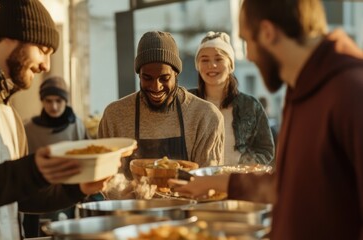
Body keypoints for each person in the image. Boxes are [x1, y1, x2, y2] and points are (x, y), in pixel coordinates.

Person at [170, 0, 363, 239]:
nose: (249, 56)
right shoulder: (301, 90)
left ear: (268, 33)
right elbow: (287, 187)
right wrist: (218, 183)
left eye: (247, 41)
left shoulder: (352, 92)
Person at [0, 0, 108, 239]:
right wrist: (32, 169)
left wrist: (77, 188)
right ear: (13, 38)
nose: (46, 66)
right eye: (43, 50)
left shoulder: (9, 112)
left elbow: (21, 195)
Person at [98, 31, 225, 179]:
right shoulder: (115, 116)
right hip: (132, 202)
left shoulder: (205, 117)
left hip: (187, 202)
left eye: (164, 78)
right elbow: (106, 180)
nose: (156, 86)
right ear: (139, 74)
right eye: (147, 78)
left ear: (176, 73)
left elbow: (208, 183)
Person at [189, 31, 274, 165]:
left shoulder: (251, 106)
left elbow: (266, 149)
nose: (212, 65)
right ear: (198, 66)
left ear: (230, 65)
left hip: (237, 183)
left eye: (219, 59)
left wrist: (243, 167)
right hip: (198, 182)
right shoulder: (187, 102)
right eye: (204, 60)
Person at [23, 76, 88, 237]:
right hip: (37, 198)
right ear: (42, 101)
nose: (54, 106)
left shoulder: (77, 125)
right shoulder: (28, 129)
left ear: (65, 101)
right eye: (48, 101)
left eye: (59, 100)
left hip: (70, 193)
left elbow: (88, 158)